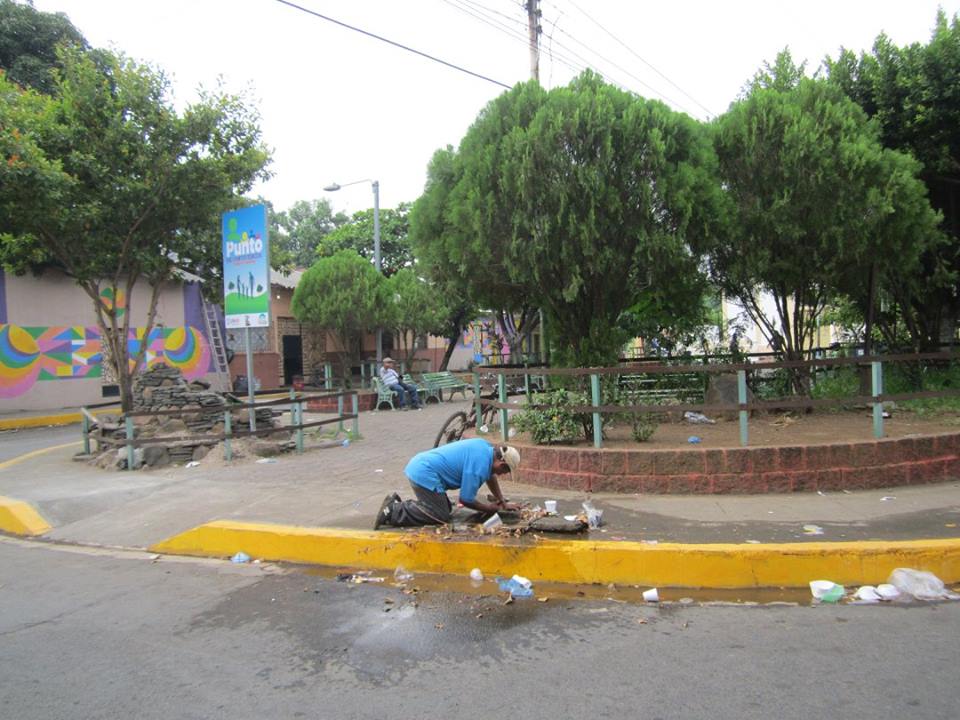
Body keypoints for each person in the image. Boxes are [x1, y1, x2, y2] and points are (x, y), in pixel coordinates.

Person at [374, 438, 521, 528]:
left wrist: (502, 502)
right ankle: (393, 510)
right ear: (501, 464)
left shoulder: (486, 448)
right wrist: (488, 509)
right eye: (505, 471)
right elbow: (465, 499)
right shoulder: (480, 466)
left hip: (422, 466)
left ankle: (407, 506)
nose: (502, 474)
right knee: (439, 515)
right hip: (424, 472)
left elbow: (491, 477)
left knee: (446, 509)